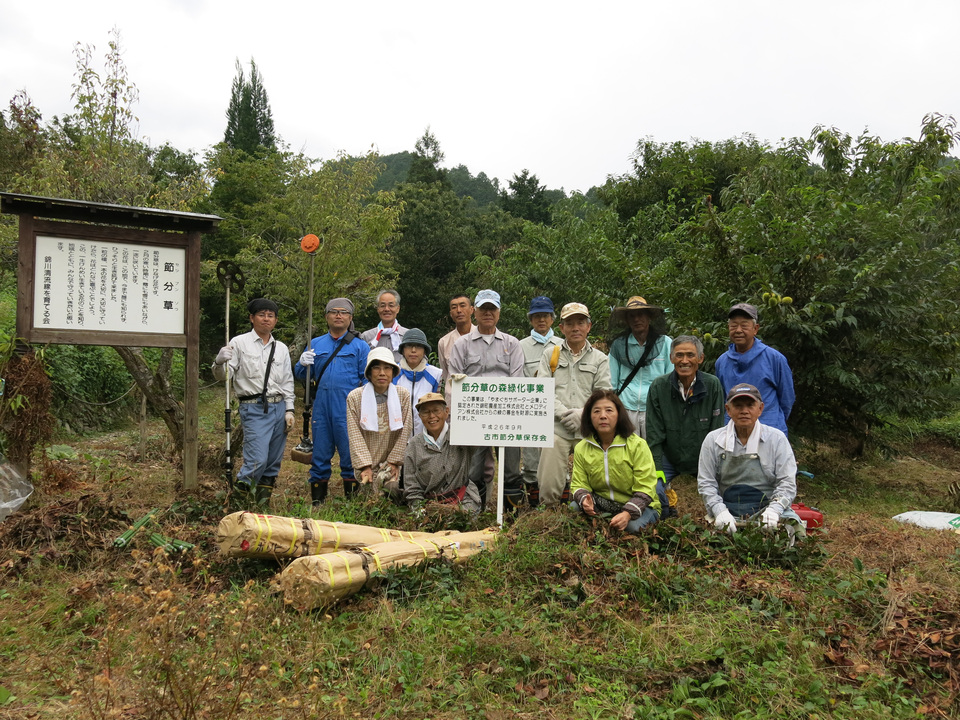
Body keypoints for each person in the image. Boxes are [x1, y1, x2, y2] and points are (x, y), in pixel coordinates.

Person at [447, 289, 526, 510]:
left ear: (499, 312)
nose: (488, 313)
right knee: (473, 469)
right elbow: (454, 383)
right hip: (474, 416)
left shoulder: (513, 344)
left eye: (492, 309)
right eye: (483, 309)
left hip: (507, 417)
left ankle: (510, 515)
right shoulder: (462, 345)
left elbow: (517, 382)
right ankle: (475, 511)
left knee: (510, 468)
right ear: (475, 311)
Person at [213, 298, 295, 507]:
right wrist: (219, 361)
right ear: (252, 318)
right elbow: (224, 377)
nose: (266, 319)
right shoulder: (239, 343)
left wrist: (290, 409)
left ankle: (261, 505)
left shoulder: (281, 348)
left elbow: (287, 380)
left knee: (273, 461)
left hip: (278, 407)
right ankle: (237, 504)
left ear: (276, 320)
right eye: (261, 314)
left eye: (270, 315)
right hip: (254, 407)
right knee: (257, 460)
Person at [697, 383, 803, 534]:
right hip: (728, 511)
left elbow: (787, 483)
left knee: (793, 533)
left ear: (760, 409)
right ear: (728, 410)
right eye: (738, 406)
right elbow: (706, 483)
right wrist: (719, 511)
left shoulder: (776, 439)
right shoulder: (713, 440)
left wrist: (774, 510)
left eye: (750, 405)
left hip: (768, 511)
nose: (744, 411)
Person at [295, 298, 368, 506]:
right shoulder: (316, 344)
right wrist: (301, 363)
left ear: (350, 318)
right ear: (326, 316)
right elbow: (300, 374)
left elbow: (366, 379)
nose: (338, 315)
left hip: (349, 409)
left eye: (343, 312)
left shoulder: (360, 346)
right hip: (321, 407)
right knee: (320, 455)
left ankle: (352, 503)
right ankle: (318, 502)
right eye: (333, 312)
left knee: (350, 455)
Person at [537, 303, 611, 507]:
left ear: (589, 326)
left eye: (580, 322)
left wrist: (583, 415)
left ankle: (591, 511)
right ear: (562, 328)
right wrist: (565, 414)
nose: (575, 328)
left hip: (588, 429)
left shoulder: (600, 359)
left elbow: (603, 394)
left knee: (594, 479)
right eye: (570, 323)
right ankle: (548, 514)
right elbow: (543, 391)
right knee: (548, 481)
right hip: (556, 428)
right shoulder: (550, 355)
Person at [645, 335, 725, 516]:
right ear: (671, 358)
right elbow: (654, 435)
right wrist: (657, 469)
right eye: (679, 355)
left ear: (700, 358)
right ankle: (664, 517)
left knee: (725, 489)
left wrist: (715, 468)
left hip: (703, 457)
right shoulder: (659, 387)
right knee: (651, 487)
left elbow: (717, 432)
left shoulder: (713, 385)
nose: (685, 361)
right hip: (670, 456)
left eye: (690, 355)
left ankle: (720, 522)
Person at [570, 389, 664, 533]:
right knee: (574, 509)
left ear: (619, 415)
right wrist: (584, 500)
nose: (602, 416)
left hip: (641, 504)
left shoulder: (637, 445)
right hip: (603, 503)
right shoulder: (582, 447)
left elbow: (645, 487)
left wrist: (627, 514)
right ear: (589, 417)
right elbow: (578, 483)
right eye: (596, 411)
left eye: (609, 410)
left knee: (631, 527)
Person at [714, 302, 795, 435]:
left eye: (744, 325)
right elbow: (722, 399)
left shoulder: (774, 359)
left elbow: (787, 398)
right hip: (733, 433)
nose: (738, 330)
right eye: (734, 325)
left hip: (769, 430)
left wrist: (774, 420)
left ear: (755, 329)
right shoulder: (722, 362)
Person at [345, 347, 413, 499]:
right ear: (369, 373)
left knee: (392, 491)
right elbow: (354, 434)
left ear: (393, 372)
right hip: (367, 459)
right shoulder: (355, 397)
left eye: (387, 368)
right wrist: (365, 465)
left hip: (390, 460)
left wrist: (394, 461)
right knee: (367, 499)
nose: (382, 373)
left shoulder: (402, 395)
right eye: (377, 368)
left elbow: (405, 429)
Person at [402, 392, 482, 515]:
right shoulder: (413, 445)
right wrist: (420, 511)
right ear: (420, 416)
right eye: (426, 412)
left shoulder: (460, 435)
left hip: (463, 499)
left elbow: (477, 426)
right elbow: (411, 486)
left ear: (446, 412)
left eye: (436, 410)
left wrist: (463, 389)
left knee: (464, 526)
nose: (432, 416)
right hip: (429, 505)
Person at [518, 296, 563, 505]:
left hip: (557, 409)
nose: (541, 320)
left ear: (552, 319)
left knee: (556, 454)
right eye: (537, 316)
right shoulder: (521, 346)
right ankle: (534, 500)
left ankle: (558, 497)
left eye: (545, 316)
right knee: (531, 458)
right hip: (530, 409)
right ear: (530, 320)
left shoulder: (563, 345)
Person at [608, 296, 672, 438]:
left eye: (641, 314)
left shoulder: (666, 343)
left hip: (655, 408)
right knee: (627, 451)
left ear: (649, 317)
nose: (637, 319)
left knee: (652, 452)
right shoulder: (619, 345)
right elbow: (611, 382)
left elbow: (671, 379)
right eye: (632, 316)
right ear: (627, 320)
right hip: (626, 408)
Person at [395, 328, 442, 436]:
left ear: (425, 351)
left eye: (419, 346)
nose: (413, 350)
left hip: (426, 437)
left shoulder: (436, 374)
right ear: (402, 350)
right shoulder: (393, 373)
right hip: (398, 438)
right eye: (409, 346)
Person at [438, 293, 475, 392]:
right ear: (451, 313)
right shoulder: (444, 342)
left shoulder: (483, 337)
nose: (458, 310)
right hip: (454, 396)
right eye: (454, 307)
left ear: (472, 309)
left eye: (463, 306)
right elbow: (446, 374)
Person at [360, 289, 407, 364]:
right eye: (382, 306)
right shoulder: (366, 337)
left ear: (398, 309)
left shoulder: (408, 336)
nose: (387, 309)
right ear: (378, 309)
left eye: (391, 305)